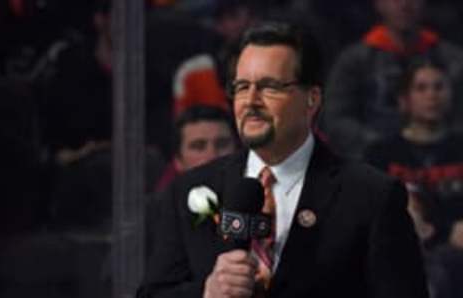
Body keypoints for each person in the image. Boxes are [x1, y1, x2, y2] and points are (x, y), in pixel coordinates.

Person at [141, 22, 428, 298]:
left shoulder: (371, 196)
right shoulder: (190, 190)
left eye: (270, 87)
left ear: (312, 99)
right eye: (242, 87)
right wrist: (206, 292)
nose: (251, 101)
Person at [319, 0, 463, 160]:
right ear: (378, 4)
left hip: (444, 160)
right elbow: (337, 119)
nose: (405, 5)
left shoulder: (452, 60)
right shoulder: (354, 61)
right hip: (370, 161)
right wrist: (382, 147)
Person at [365, 59, 463, 250]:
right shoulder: (380, 154)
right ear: (404, 100)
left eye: (439, 87)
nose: (432, 95)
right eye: (421, 88)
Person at [155, 104, 238, 191]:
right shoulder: (162, 201)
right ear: (178, 161)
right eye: (198, 146)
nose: (212, 156)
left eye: (222, 144)